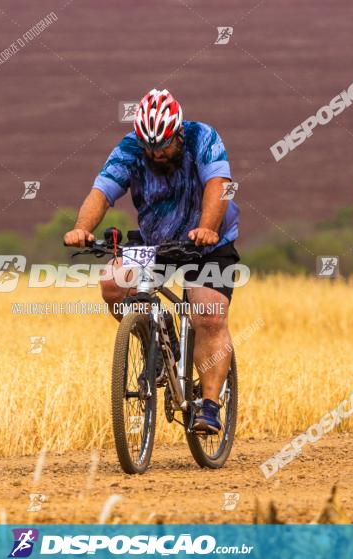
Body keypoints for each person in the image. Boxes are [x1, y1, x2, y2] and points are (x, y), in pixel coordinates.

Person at [63, 88, 240, 434]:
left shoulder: (204, 137)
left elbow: (220, 186)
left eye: (164, 145)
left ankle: (209, 405)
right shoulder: (130, 148)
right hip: (157, 241)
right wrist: (82, 228)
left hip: (207, 240)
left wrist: (206, 228)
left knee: (207, 311)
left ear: (178, 132)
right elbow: (101, 192)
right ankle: (157, 347)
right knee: (113, 284)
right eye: (150, 147)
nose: (157, 153)